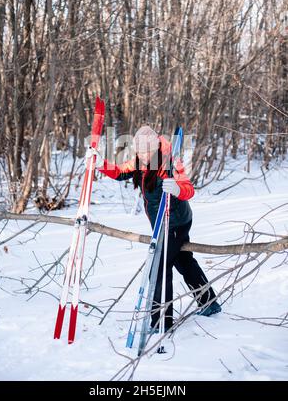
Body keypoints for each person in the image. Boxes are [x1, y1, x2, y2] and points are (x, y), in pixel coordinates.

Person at [92, 125, 221, 331]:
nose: (142, 156)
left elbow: (189, 190)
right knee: (183, 261)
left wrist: (177, 188)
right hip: (162, 222)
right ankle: (209, 302)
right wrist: (101, 164)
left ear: (155, 148)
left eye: (146, 152)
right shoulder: (140, 161)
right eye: (139, 151)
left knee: (159, 269)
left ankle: (162, 321)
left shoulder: (171, 161)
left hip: (175, 222)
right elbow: (119, 172)